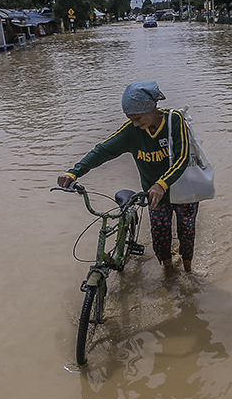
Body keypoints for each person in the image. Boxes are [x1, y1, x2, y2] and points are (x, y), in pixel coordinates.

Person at [56, 81, 199, 272]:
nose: (136, 124)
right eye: (131, 119)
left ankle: (189, 270)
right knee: (160, 235)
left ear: (152, 108)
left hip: (184, 191)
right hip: (156, 197)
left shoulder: (174, 121)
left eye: (139, 118)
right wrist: (74, 172)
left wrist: (162, 183)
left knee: (187, 232)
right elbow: (102, 151)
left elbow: (182, 158)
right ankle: (169, 271)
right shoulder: (131, 131)